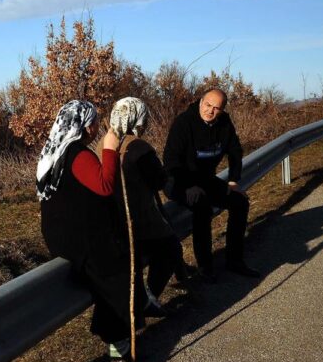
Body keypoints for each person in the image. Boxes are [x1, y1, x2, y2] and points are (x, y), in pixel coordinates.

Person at [37, 100, 131, 358]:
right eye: (95, 121)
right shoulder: (78, 154)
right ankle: (115, 337)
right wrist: (110, 150)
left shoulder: (53, 151)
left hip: (61, 233)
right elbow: (104, 186)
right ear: (85, 126)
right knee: (115, 272)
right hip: (80, 240)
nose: (98, 126)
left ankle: (117, 327)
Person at [162, 88, 259, 281]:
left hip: (205, 179)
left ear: (222, 110)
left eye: (216, 108)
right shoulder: (183, 123)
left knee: (240, 202)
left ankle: (235, 260)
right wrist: (188, 185)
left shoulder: (224, 123)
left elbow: (235, 151)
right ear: (200, 102)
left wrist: (233, 181)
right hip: (177, 180)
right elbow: (171, 160)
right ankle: (205, 267)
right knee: (202, 206)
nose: (210, 111)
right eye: (208, 105)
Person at [110, 97, 187, 322]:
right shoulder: (138, 147)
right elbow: (159, 180)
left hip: (113, 219)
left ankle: (143, 299)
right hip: (139, 217)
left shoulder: (103, 144)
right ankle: (149, 298)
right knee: (170, 248)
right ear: (139, 119)